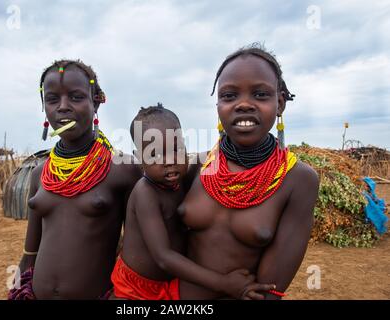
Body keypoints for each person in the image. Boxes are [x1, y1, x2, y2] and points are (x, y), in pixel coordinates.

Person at [178, 44, 320, 299]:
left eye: (260, 94)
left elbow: (268, 291)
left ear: (280, 104)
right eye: (229, 96)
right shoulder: (196, 167)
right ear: (218, 106)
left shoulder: (298, 180)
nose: (243, 104)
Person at [110, 104, 275, 300]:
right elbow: (163, 257)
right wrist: (223, 283)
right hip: (135, 289)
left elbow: (218, 154)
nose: (169, 161)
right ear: (139, 158)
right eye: (154, 155)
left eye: (176, 149)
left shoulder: (184, 179)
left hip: (173, 283)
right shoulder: (145, 193)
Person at [8, 60, 140, 300]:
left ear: (96, 102)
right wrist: (16, 288)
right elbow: (30, 252)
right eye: (52, 99)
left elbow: (136, 249)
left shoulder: (123, 169)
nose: (63, 107)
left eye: (76, 97)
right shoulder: (41, 174)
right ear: (44, 107)